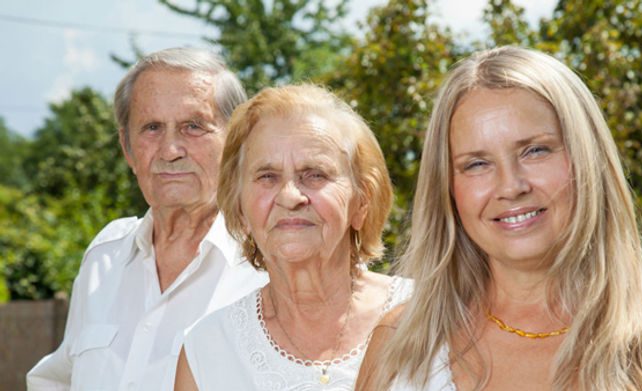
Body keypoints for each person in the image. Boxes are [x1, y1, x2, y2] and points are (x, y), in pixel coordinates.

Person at [356, 46, 642, 390]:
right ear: (448, 189)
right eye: (476, 163)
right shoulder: (400, 345)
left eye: (535, 150)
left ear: (588, 160)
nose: (511, 186)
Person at [26, 47, 268, 391]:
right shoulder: (104, 257)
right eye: (152, 127)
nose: (171, 149)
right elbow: (56, 379)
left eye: (193, 126)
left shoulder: (270, 266)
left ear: (235, 144)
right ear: (127, 148)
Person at [173, 84, 413, 390]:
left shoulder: (432, 316)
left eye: (315, 174)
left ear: (362, 202)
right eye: (267, 177)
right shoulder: (207, 350)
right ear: (240, 207)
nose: (289, 196)